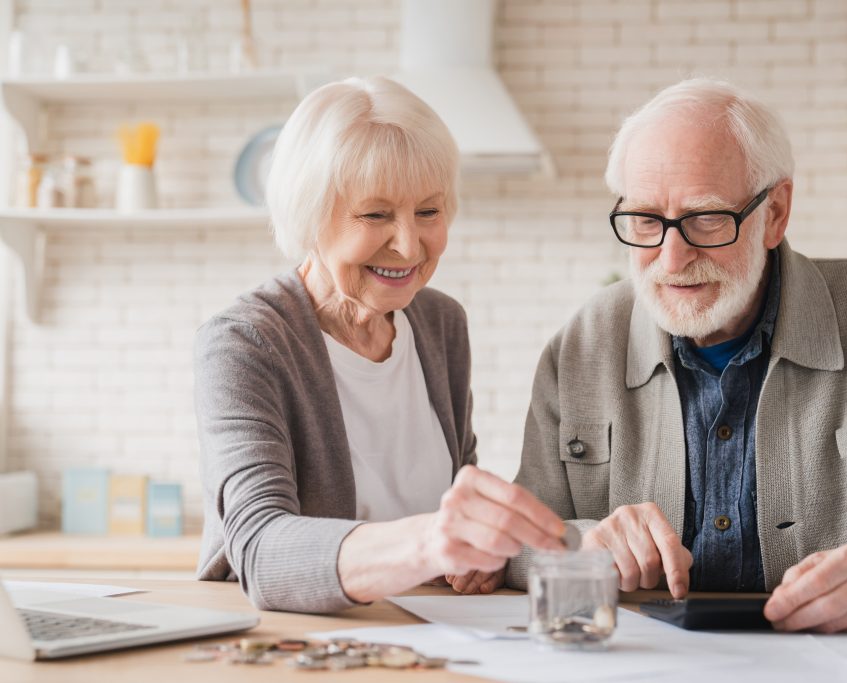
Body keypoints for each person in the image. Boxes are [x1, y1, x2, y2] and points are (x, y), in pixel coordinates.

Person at [500, 77, 847, 632]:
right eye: (647, 220)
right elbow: (511, 546)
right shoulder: (582, 344)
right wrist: (584, 544)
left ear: (775, 213)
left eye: (706, 218)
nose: (671, 259)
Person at [194, 77, 567, 614]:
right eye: (375, 214)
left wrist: (480, 553)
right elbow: (261, 549)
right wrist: (429, 543)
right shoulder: (245, 343)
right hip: (299, 645)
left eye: (429, 212)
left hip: (434, 636)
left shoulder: (440, 324)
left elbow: (457, 502)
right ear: (309, 212)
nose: (409, 245)